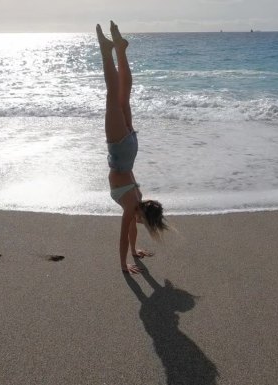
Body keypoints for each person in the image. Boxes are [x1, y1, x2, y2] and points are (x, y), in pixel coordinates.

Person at [96, 21, 168, 274]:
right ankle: (107, 50)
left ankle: (121, 49)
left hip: (130, 149)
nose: (138, 224)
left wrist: (135, 251)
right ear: (141, 213)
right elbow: (123, 235)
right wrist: (123, 264)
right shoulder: (130, 205)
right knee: (112, 95)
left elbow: (131, 229)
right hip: (119, 149)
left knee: (124, 94)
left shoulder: (138, 198)